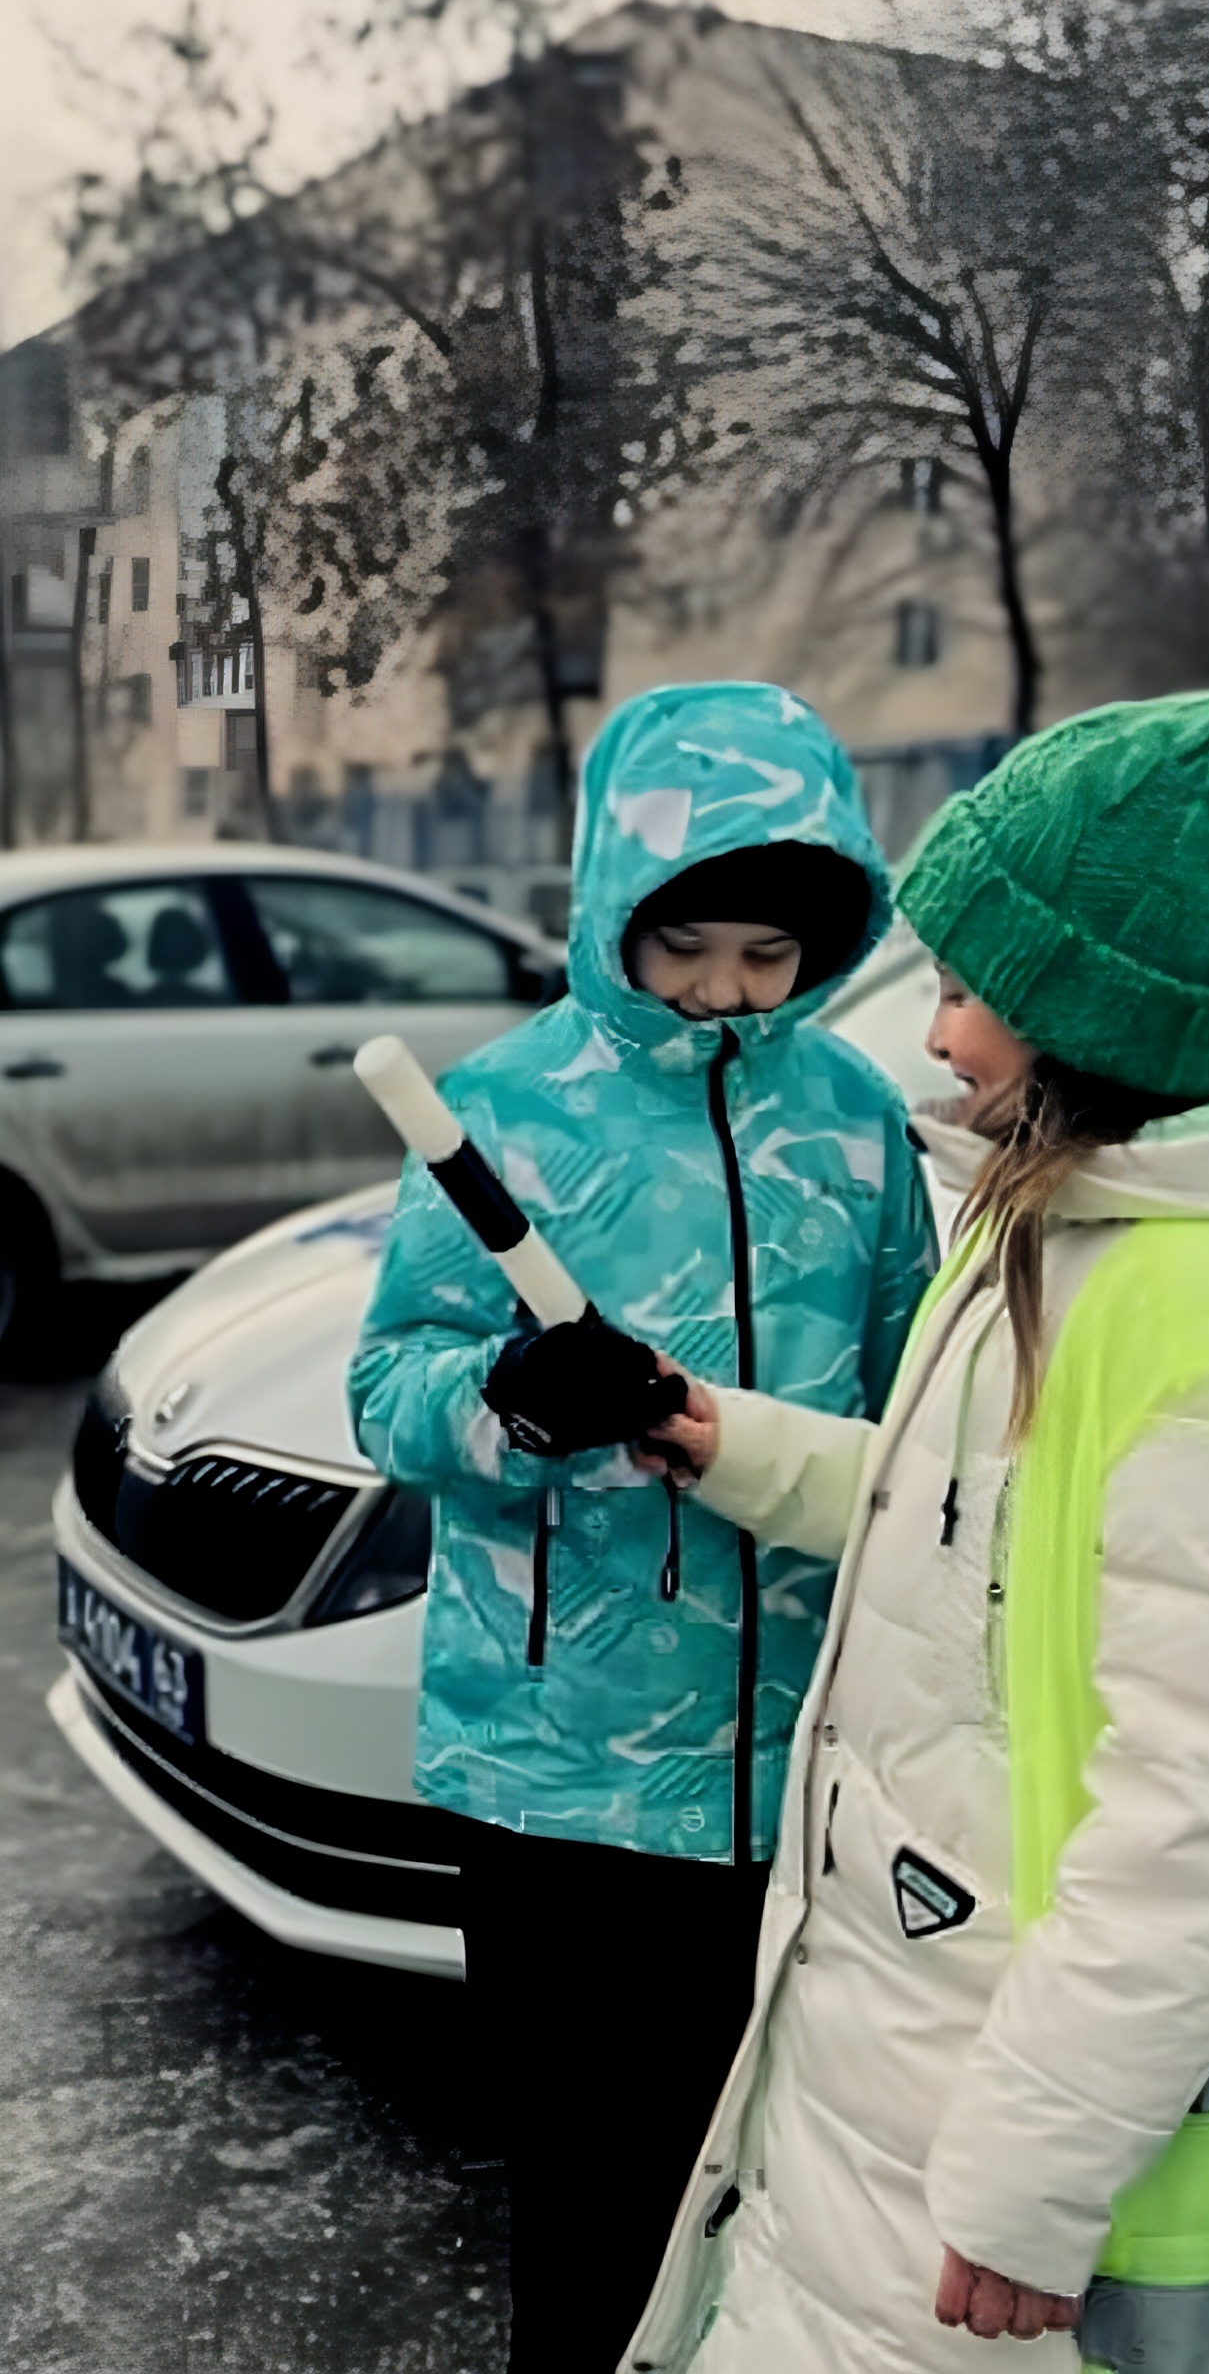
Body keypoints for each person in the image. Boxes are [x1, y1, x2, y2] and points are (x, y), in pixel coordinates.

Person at [626, 692, 1209, 2374]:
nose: (932, 1036)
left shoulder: (1206, 1313)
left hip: (980, 2132)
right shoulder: (1068, 1236)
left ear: (1087, 1013)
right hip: (889, 2051)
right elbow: (985, 1546)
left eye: (964, 987)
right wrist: (736, 1445)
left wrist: (1031, 2177)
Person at [347, 680, 936, 2374]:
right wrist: (514, 1400)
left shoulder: (849, 1118)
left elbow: (908, 1398)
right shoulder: (509, 1109)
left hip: (803, 1756)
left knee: (780, 2182)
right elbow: (390, 1392)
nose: (726, 994)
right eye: (689, 948)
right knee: (595, 2196)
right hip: (561, 1771)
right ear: (620, 905)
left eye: (767, 955)